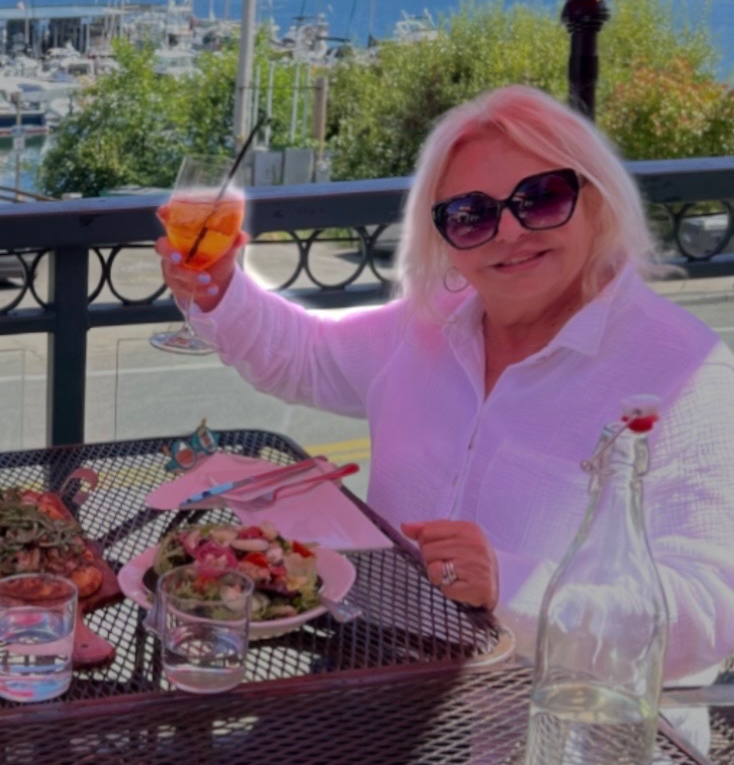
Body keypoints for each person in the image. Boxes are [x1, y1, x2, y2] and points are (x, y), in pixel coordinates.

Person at [157, 84, 734, 683]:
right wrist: (217, 286)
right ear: (445, 238)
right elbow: (305, 356)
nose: (508, 232)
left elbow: (710, 611)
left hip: (554, 711)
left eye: (541, 199)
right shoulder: (433, 322)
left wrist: (512, 586)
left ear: (597, 201)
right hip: (379, 673)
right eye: (471, 215)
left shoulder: (682, 372)